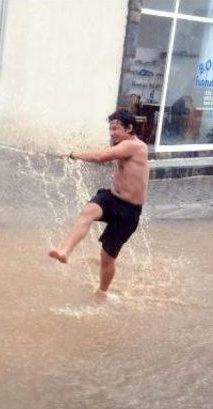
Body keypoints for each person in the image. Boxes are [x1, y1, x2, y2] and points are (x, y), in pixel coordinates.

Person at [49, 110, 149, 297]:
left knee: (106, 259)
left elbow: (101, 157)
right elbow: (105, 155)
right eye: (110, 129)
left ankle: (102, 292)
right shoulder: (122, 144)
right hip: (111, 197)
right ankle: (64, 251)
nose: (112, 133)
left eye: (116, 128)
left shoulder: (136, 146)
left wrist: (73, 154)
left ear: (129, 128)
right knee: (89, 211)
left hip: (128, 211)